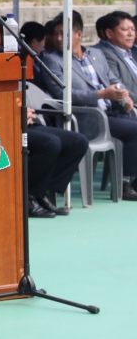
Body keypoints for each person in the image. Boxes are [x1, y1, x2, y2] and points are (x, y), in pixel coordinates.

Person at [0, 15, 84, 217]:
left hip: (19, 120)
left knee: (77, 141)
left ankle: (40, 191)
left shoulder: (5, 61)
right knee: (50, 144)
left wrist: (23, 111)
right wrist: (12, 114)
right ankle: (28, 195)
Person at [43, 11, 137, 200]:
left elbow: (113, 80)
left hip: (112, 112)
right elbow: (63, 94)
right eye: (56, 33)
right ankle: (126, 183)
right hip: (88, 118)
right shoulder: (53, 60)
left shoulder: (96, 54)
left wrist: (124, 99)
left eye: (64, 33)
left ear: (79, 35)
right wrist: (102, 94)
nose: (59, 38)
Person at [92, 11, 137, 95]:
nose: (131, 34)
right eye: (125, 29)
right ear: (109, 33)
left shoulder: (127, 52)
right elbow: (118, 88)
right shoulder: (105, 54)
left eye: (133, 29)